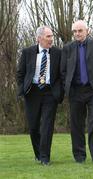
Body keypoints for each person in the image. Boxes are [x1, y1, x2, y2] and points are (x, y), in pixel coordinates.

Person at [61, 20, 93, 164]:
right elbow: (63, 72)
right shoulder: (67, 48)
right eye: (75, 31)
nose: (77, 34)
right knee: (77, 125)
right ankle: (79, 156)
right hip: (75, 92)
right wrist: (66, 87)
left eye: (80, 31)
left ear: (87, 31)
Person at [16, 26, 63, 165]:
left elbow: (62, 74)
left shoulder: (58, 53)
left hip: (50, 93)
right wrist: (22, 89)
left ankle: (45, 157)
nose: (51, 39)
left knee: (47, 126)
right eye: (48, 36)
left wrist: (59, 91)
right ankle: (38, 154)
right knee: (33, 127)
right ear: (39, 38)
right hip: (32, 93)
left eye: (51, 36)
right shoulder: (27, 52)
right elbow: (20, 73)